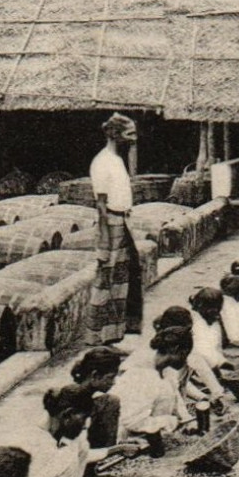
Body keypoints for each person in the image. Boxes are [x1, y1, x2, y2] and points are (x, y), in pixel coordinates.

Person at [86, 113, 143, 345]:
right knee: (107, 280)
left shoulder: (117, 160)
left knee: (123, 280)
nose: (134, 139)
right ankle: (98, 338)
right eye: (129, 134)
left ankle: (115, 335)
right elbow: (100, 205)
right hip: (110, 222)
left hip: (122, 221)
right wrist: (105, 242)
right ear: (115, 134)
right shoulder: (102, 162)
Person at [110, 326, 196, 448]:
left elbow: (177, 399)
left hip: (152, 436)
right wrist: (169, 421)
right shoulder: (142, 373)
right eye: (185, 354)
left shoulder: (168, 371)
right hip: (129, 441)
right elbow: (131, 421)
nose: (185, 360)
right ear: (176, 349)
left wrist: (187, 420)